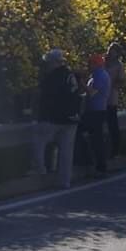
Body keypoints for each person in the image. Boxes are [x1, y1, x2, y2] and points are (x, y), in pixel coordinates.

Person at [30, 48, 82, 188]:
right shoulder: (70, 75)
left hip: (54, 118)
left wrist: (38, 115)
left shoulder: (51, 77)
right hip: (71, 119)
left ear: (53, 63)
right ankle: (64, 182)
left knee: (38, 141)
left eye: (48, 63)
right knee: (66, 153)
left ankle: (40, 170)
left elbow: (44, 98)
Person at [80, 54, 111, 175]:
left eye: (90, 63)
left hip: (96, 112)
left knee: (95, 139)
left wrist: (81, 83)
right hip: (95, 111)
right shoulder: (96, 75)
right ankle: (97, 165)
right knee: (95, 140)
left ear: (95, 64)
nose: (88, 66)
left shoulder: (99, 75)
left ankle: (96, 165)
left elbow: (92, 93)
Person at [104, 42, 126, 158]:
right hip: (99, 98)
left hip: (111, 99)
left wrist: (111, 85)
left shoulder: (119, 65)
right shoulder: (103, 62)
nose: (111, 52)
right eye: (110, 49)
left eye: (113, 50)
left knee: (112, 126)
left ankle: (115, 151)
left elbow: (121, 81)